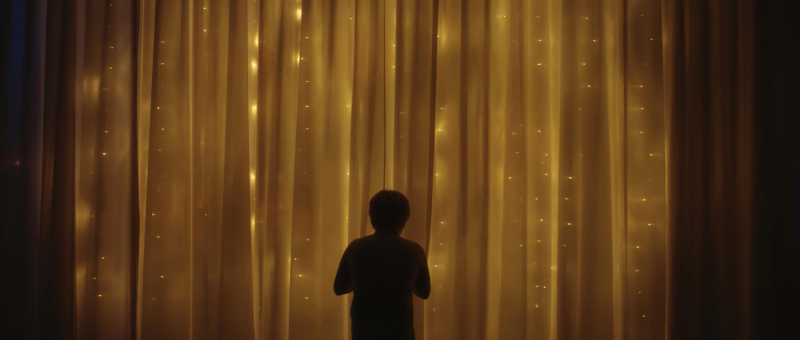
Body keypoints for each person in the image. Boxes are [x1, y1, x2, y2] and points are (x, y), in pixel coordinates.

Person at [334, 190, 431, 340]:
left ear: (372, 217)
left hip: (364, 332)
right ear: (404, 219)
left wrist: (363, 283)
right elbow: (424, 292)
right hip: (400, 333)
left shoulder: (356, 247)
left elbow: (339, 288)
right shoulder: (414, 250)